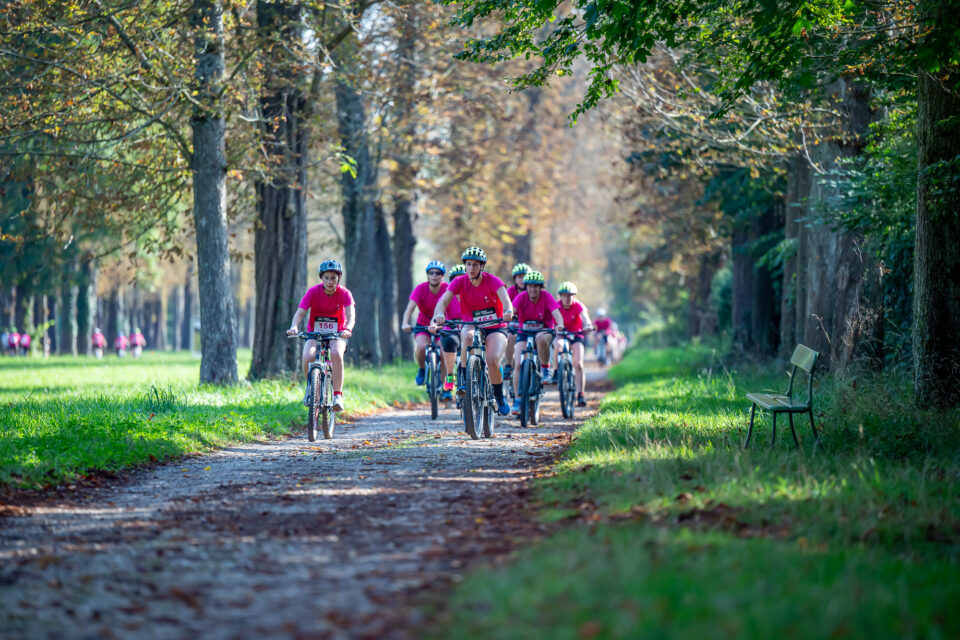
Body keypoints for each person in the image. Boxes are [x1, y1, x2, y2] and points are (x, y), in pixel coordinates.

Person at [429, 246, 514, 416]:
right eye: (468, 264)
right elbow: (443, 302)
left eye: (476, 264)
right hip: (471, 325)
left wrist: (508, 311)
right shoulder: (459, 282)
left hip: (495, 326)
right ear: (465, 265)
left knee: (492, 359)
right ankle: (464, 380)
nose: (472, 268)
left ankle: (499, 396)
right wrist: (439, 313)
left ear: (482, 266)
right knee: (466, 336)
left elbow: (507, 301)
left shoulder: (493, 281)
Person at [286, 259, 355, 412]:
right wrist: (294, 326)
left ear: (339, 278)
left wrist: (348, 328)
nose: (330, 281)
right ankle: (311, 389)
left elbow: (351, 315)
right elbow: (300, 312)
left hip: (338, 332)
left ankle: (337, 396)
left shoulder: (345, 293)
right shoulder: (312, 292)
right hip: (314, 332)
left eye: (333, 278)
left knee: (336, 353)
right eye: (327, 278)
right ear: (321, 278)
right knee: (308, 356)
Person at [510, 270, 564, 414]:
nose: (533, 289)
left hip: (544, 331)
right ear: (526, 287)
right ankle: (517, 399)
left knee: (540, 338)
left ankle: (545, 368)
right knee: (517, 364)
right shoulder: (521, 297)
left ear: (541, 287)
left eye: (536, 286)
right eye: (530, 286)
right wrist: (506, 319)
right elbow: (511, 311)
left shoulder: (546, 297)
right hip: (524, 332)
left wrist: (559, 324)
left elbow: (557, 314)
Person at [401, 261, 448, 388]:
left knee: (444, 352)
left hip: (441, 326)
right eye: (431, 273)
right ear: (427, 275)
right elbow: (410, 308)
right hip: (423, 326)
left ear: (442, 276)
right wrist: (405, 323)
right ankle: (422, 369)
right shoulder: (421, 289)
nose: (434, 275)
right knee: (421, 346)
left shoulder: (447, 289)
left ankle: (444, 384)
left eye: (438, 273)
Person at [553, 281, 593, 407]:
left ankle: (580, 394)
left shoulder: (578, 306)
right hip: (562, 334)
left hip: (576, 335)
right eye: (564, 295)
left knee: (579, 364)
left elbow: (585, 317)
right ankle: (555, 371)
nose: (567, 298)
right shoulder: (556, 305)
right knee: (558, 345)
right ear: (560, 296)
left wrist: (588, 325)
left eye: (570, 295)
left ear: (574, 296)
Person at [439, 263, 467, 401]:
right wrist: (435, 322)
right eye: (456, 279)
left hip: (470, 329)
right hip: (452, 329)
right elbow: (438, 310)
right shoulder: (448, 295)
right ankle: (450, 375)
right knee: (450, 341)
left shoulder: (474, 294)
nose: (459, 282)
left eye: (462, 278)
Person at [503, 262, 531, 382]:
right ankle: (509, 365)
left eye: (525, 276)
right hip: (513, 325)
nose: (522, 279)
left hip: (529, 325)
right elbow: (504, 307)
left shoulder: (533, 291)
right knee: (510, 337)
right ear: (515, 279)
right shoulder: (510, 291)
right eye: (520, 277)